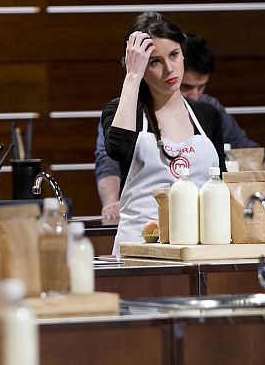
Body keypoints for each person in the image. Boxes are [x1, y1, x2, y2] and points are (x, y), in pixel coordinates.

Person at [96, 32, 255, 225]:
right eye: (188, 86)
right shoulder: (126, 111)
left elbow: (243, 151)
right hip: (142, 233)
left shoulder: (208, 111)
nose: (195, 95)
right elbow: (110, 159)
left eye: (202, 87)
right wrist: (112, 202)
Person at [102, 13, 225, 254]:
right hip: (138, 251)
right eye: (155, 61)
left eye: (174, 55)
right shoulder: (123, 110)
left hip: (197, 251)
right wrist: (132, 77)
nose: (170, 68)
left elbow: (220, 181)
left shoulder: (207, 115)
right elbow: (117, 149)